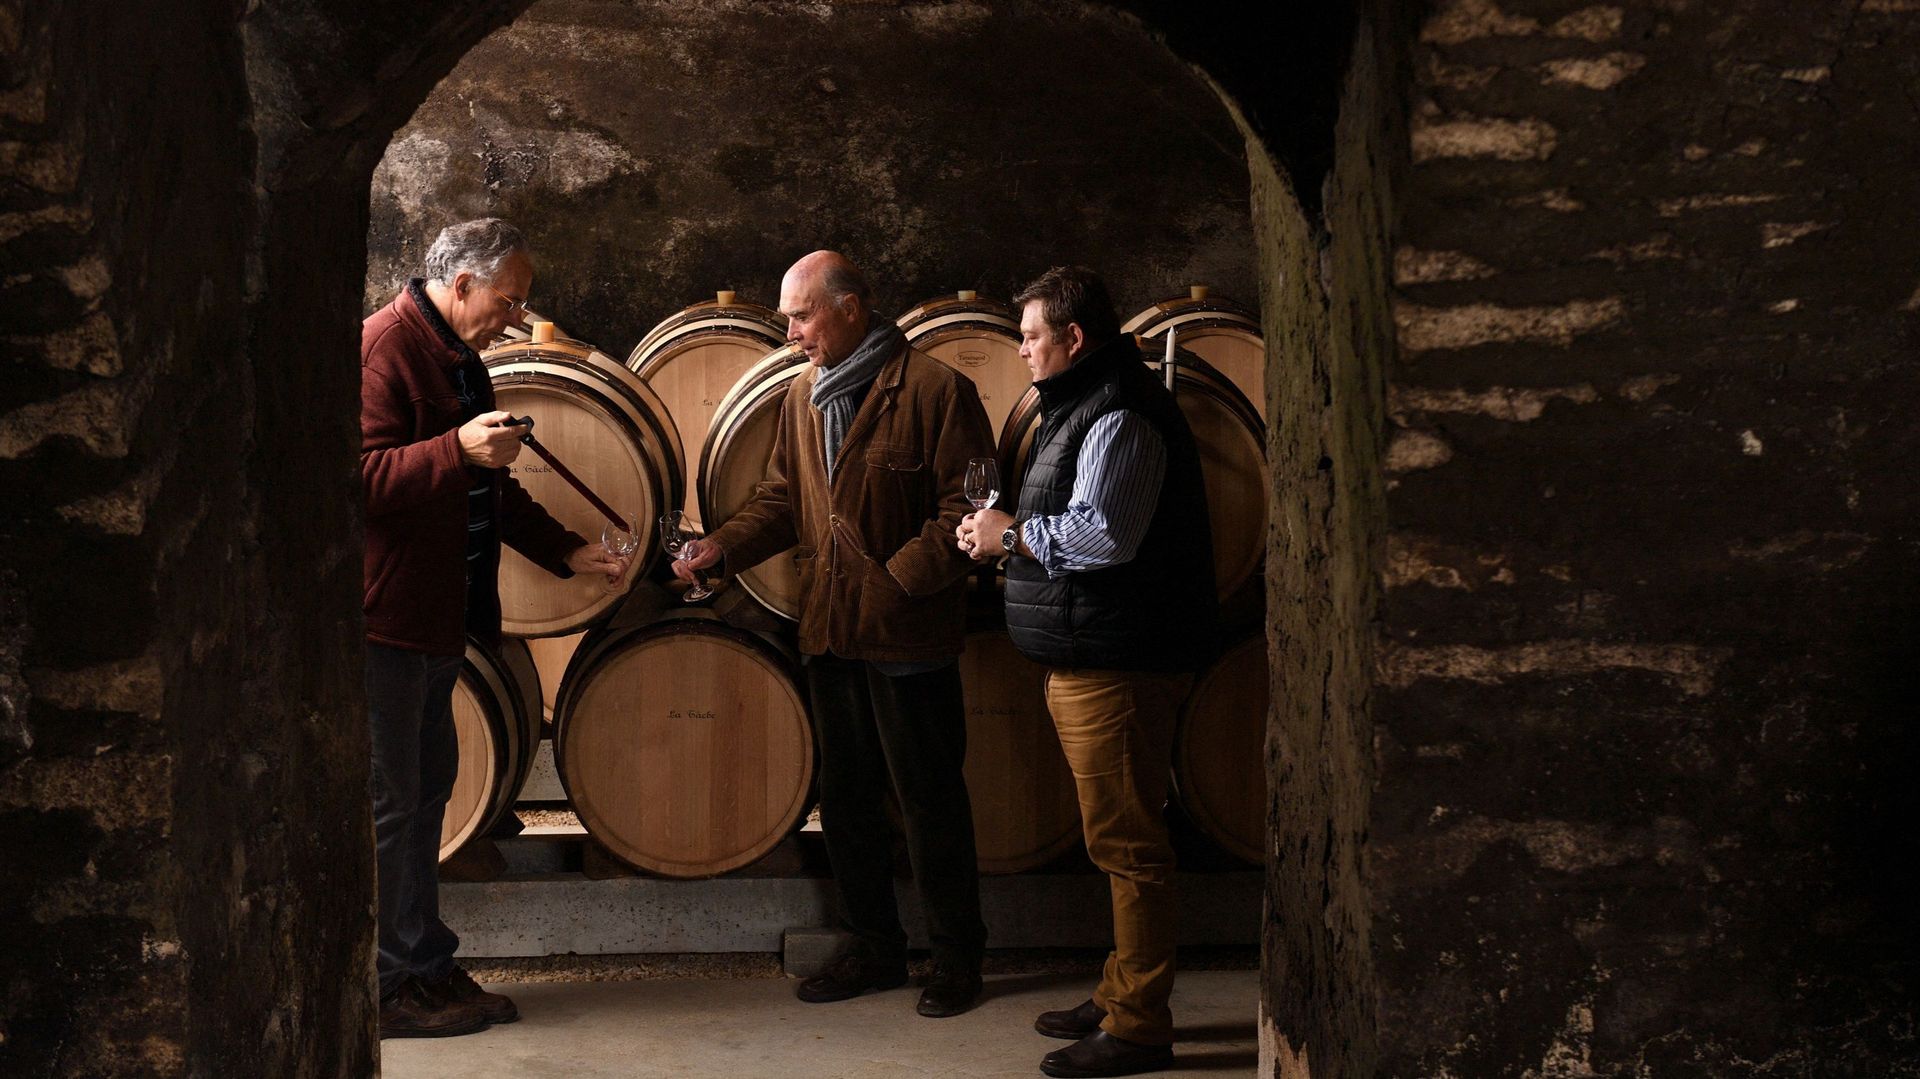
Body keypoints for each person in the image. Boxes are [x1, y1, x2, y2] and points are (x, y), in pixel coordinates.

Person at [675, 250, 993, 1018]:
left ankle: (957, 958)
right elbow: (784, 498)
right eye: (789, 316)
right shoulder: (800, 395)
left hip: (906, 633)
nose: (790, 332)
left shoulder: (937, 391)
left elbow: (970, 509)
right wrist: (723, 546)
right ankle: (875, 947)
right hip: (828, 628)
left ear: (853, 307)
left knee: (927, 799)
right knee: (846, 799)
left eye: (802, 314)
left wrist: (896, 582)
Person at [360, 218, 626, 1038]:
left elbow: (491, 487)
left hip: (440, 619)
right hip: (383, 621)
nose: (516, 318)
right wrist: (454, 449)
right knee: (393, 805)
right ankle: (388, 981)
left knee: (426, 794)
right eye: (508, 301)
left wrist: (565, 549)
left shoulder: (460, 359)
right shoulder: (383, 350)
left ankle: (422, 960)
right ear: (462, 283)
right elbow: (353, 479)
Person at [957, 266, 1217, 1078]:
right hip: (1092, 655)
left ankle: (1140, 1021)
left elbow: (1105, 535)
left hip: (1120, 661)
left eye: (1032, 335)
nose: (1023, 351)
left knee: (1131, 845)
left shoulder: (1120, 413)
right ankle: (1118, 992)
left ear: (1073, 338)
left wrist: (1008, 537)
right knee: (1114, 839)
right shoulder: (1086, 405)